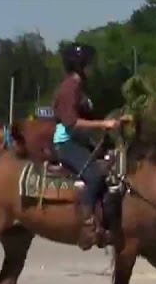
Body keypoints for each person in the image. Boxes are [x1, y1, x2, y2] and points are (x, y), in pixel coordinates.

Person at [51, 43, 121, 248]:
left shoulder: (79, 86)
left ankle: (104, 222)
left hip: (79, 140)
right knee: (95, 175)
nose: (93, 67)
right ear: (80, 65)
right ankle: (86, 224)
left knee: (111, 169)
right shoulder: (70, 87)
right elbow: (71, 124)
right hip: (66, 143)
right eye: (90, 63)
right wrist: (103, 124)